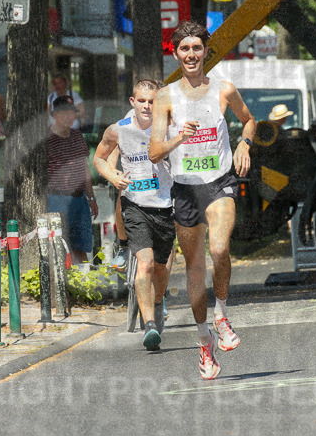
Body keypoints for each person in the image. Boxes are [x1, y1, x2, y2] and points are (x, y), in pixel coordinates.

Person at [148, 20, 255, 380]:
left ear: (206, 51)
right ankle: (204, 341)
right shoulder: (166, 97)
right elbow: (153, 151)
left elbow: (249, 120)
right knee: (194, 270)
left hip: (218, 180)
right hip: (185, 188)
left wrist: (244, 142)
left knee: (221, 249)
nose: (191, 55)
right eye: (184, 49)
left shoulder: (223, 90)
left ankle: (222, 313)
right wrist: (178, 139)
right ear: (175, 53)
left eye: (197, 48)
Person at [94, 79, 174, 350]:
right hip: (135, 205)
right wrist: (112, 175)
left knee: (161, 269)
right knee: (146, 263)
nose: (147, 106)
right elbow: (99, 158)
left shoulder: (168, 127)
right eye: (142, 101)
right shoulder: (119, 130)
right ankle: (149, 325)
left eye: (152, 101)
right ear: (133, 102)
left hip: (165, 204)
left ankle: (158, 300)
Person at [47, 95, 98, 264]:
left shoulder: (77, 136)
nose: (69, 117)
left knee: (81, 247)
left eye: (72, 113)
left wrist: (91, 197)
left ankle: (82, 285)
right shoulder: (46, 137)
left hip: (79, 198)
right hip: (56, 198)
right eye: (65, 113)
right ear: (55, 114)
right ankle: (62, 286)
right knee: (59, 246)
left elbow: (85, 169)